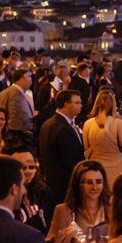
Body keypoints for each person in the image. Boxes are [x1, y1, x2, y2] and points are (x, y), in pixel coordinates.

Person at [45, 160, 111, 243]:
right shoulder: (63, 211)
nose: (94, 187)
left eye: (98, 182)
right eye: (89, 182)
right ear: (78, 185)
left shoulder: (112, 210)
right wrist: (62, 237)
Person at [37, 88, 85, 223]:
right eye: (76, 103)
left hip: (51, 181)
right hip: (64, 184)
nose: (80, 105)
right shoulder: (62, 128)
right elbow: (71, 159)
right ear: (65, 104)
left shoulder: (48, 123)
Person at [82, 88, 122, 188]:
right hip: (117, 168)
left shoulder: (87, 124)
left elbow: (86, 147)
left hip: (96, 169)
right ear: (113, 104)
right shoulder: (117, 122)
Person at [0, 69, 35, 135]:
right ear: (21, 78)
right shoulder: (12, 93)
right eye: (29, 77)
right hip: (14, 137)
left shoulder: (19, 92)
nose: (31, 80)